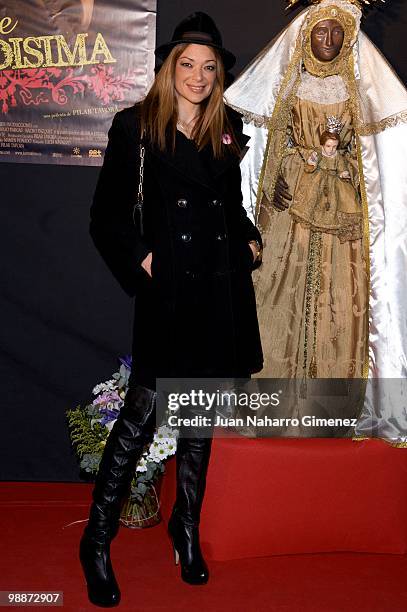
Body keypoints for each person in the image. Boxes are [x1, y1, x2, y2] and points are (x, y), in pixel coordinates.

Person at [80, 12, 263, 607]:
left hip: (219, 286)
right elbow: (105, 215)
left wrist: (249, 234)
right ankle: (97, 537)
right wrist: (143, 259)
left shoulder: (227, 128)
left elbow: (227, 205)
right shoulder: (136, 125)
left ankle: (185, 528)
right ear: (169, 67)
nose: (198, 76)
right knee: (140, 417)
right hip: (173, 291)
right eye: (188, 64)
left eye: (209, 68)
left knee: (199, 421)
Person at [225, 0, 407, 440]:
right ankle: (273, 399)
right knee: (278, 290)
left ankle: (331, 407)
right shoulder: (291, 82)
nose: (328, 41)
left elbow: (373, 157)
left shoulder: (358, 89)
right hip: (291, 205)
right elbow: (272, 140)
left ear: (348, 38)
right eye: (320, 32)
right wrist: (276, 180)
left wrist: (344, 167)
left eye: (336, 33)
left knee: (336, 295)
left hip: (342, 206)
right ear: (306, 36)